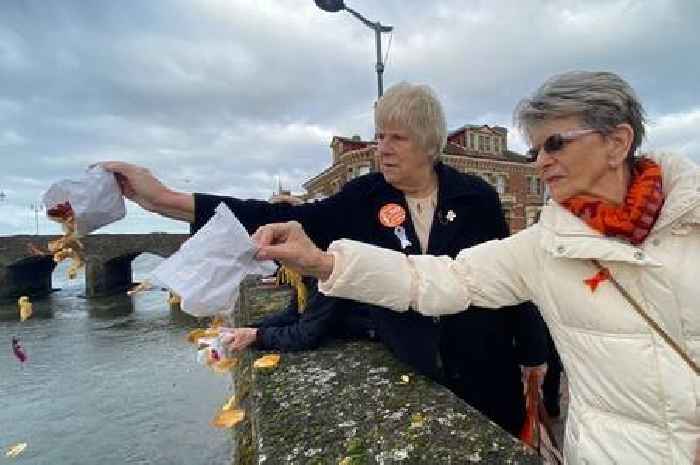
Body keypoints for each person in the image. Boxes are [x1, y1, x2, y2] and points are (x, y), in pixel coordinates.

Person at [254, 71, 700, 464]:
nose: (541, 161)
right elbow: (443, 278)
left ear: (617, 143)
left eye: (556, 143)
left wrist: (532, 357)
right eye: (535, 149)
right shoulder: (541, 248)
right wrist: (324, 263)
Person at [103, 82, 548, 436]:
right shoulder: (364, 196)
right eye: (380, 136)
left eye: (398, 137)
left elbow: (509, 282)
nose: (383, 148)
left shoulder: (477, 198)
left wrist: (532, 356)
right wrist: (164, 199)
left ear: (430, 145)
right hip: (416, 367)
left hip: (487, 369)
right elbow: (278, 216)